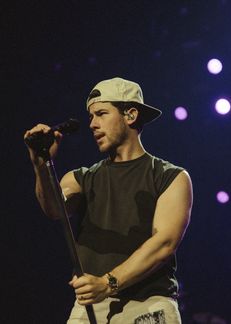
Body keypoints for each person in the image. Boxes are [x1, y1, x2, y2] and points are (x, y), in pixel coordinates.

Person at [24, 77, 193, 323]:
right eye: (91, 117)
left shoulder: (171, 177)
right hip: (90, 305)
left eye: (102, 113)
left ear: (131, 115)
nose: (93, 124)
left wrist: (107, 283)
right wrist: (41, 166)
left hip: (148, 304)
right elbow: (54, 209)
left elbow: (164, 244)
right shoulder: (82, 178)